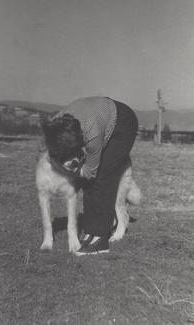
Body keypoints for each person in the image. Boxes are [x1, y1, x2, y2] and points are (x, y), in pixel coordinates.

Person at [42, 97, 138, 256]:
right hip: (101, 114)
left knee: (102, 176)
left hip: (123, 123)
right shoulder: (55, 125)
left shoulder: (92, 136)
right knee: (90, 181)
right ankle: (91, 230)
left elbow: (90, 172)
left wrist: (65, 170)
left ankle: (100, 239)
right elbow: (44, 145)